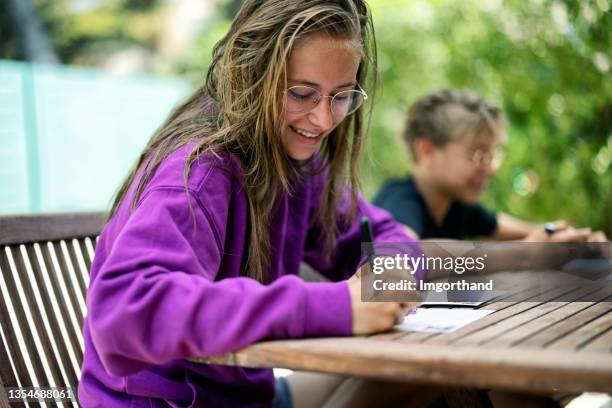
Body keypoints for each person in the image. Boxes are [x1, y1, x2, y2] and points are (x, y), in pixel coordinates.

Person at [78, 1, 423, 407]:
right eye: (302, 93)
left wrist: (389, 273)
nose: (324, 120)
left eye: (341, 96)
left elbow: (384, 233)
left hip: (245, 398)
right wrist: (334, 306)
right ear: (251, 74)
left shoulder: (297, 162)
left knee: (417, 380)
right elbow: (127, 309)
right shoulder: (199, 173)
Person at [373, 89, 607, 242]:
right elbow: (399, 259)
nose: (491, 169)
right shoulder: (399, 202)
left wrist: (570, 238)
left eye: (492, 155)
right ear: (427, 150)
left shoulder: (456, 206)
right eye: (478, 155)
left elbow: (525, 231)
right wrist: (522, 254)